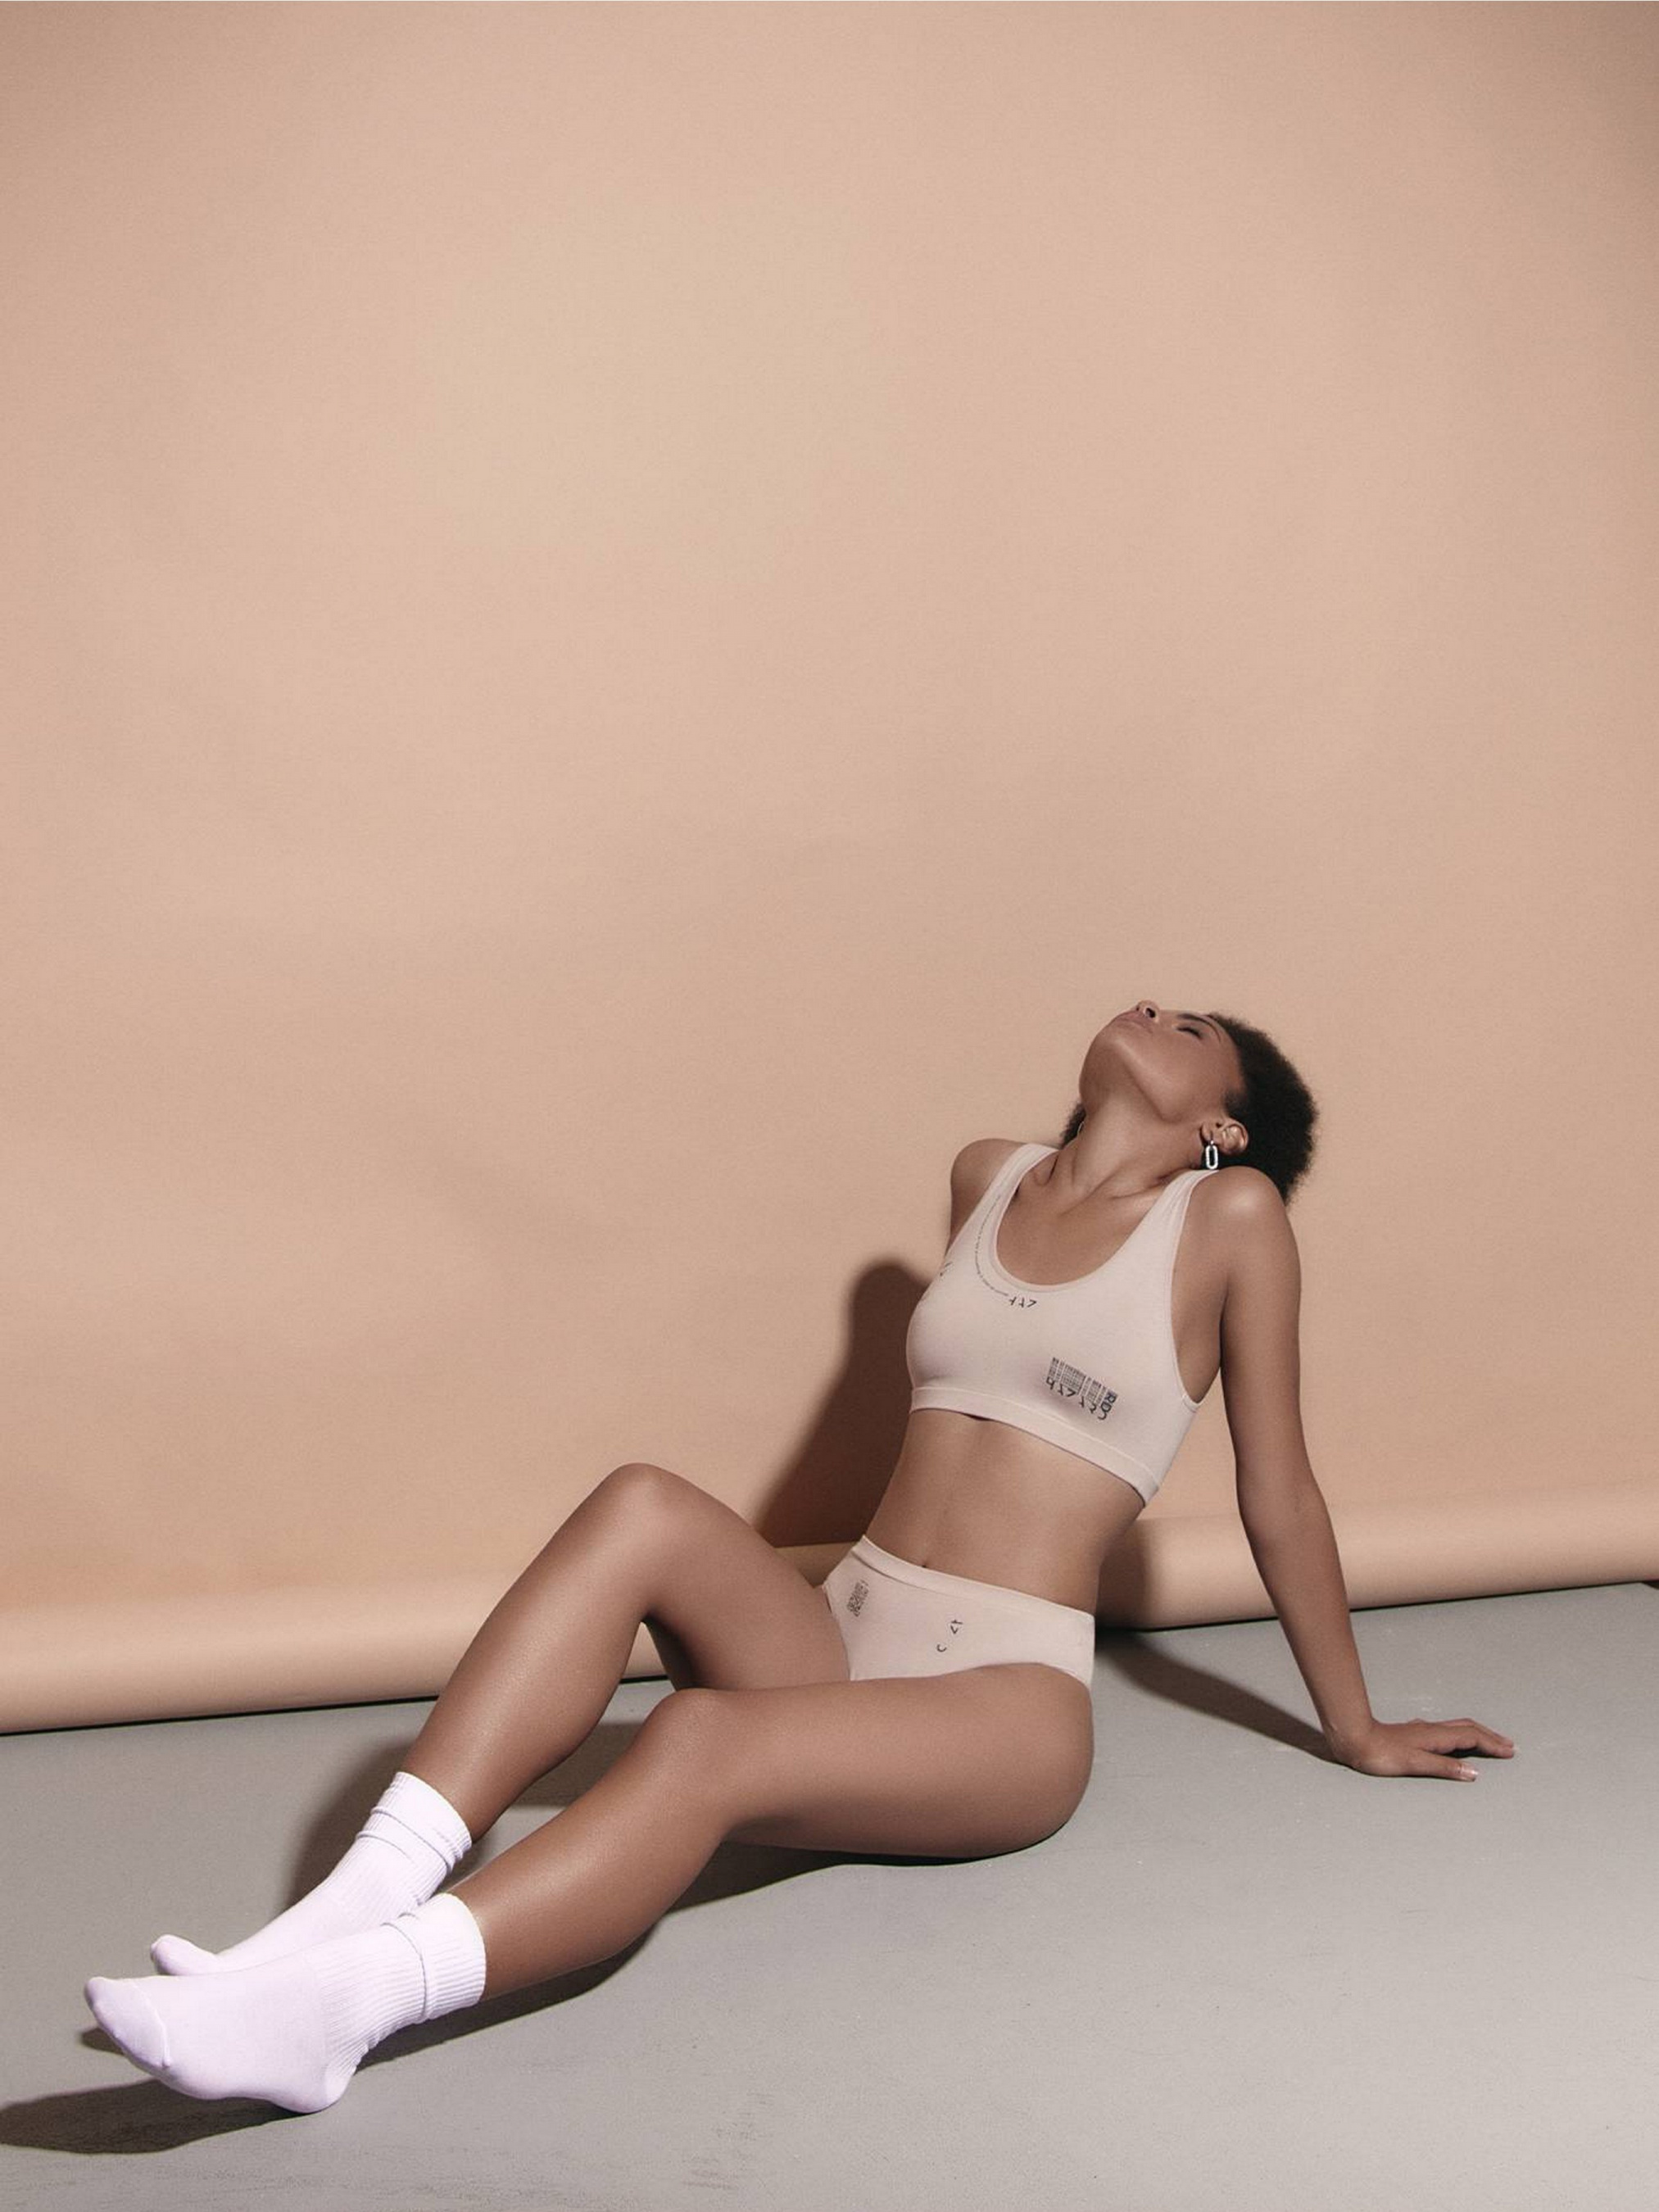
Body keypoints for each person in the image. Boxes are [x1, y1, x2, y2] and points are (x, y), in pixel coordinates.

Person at [84, 997, 1516, 2110]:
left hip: (999, 1699)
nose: (1152, 1006)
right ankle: (335, 1918)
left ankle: (340, 2014)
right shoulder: (986, 1176)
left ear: (1221, 1126)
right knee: (640, 1500)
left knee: (698, 1740)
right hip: (834, 1634)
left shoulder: (1230, 1221)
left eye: (1191, 1026)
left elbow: (1280, 1491)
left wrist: (1353, 1724)